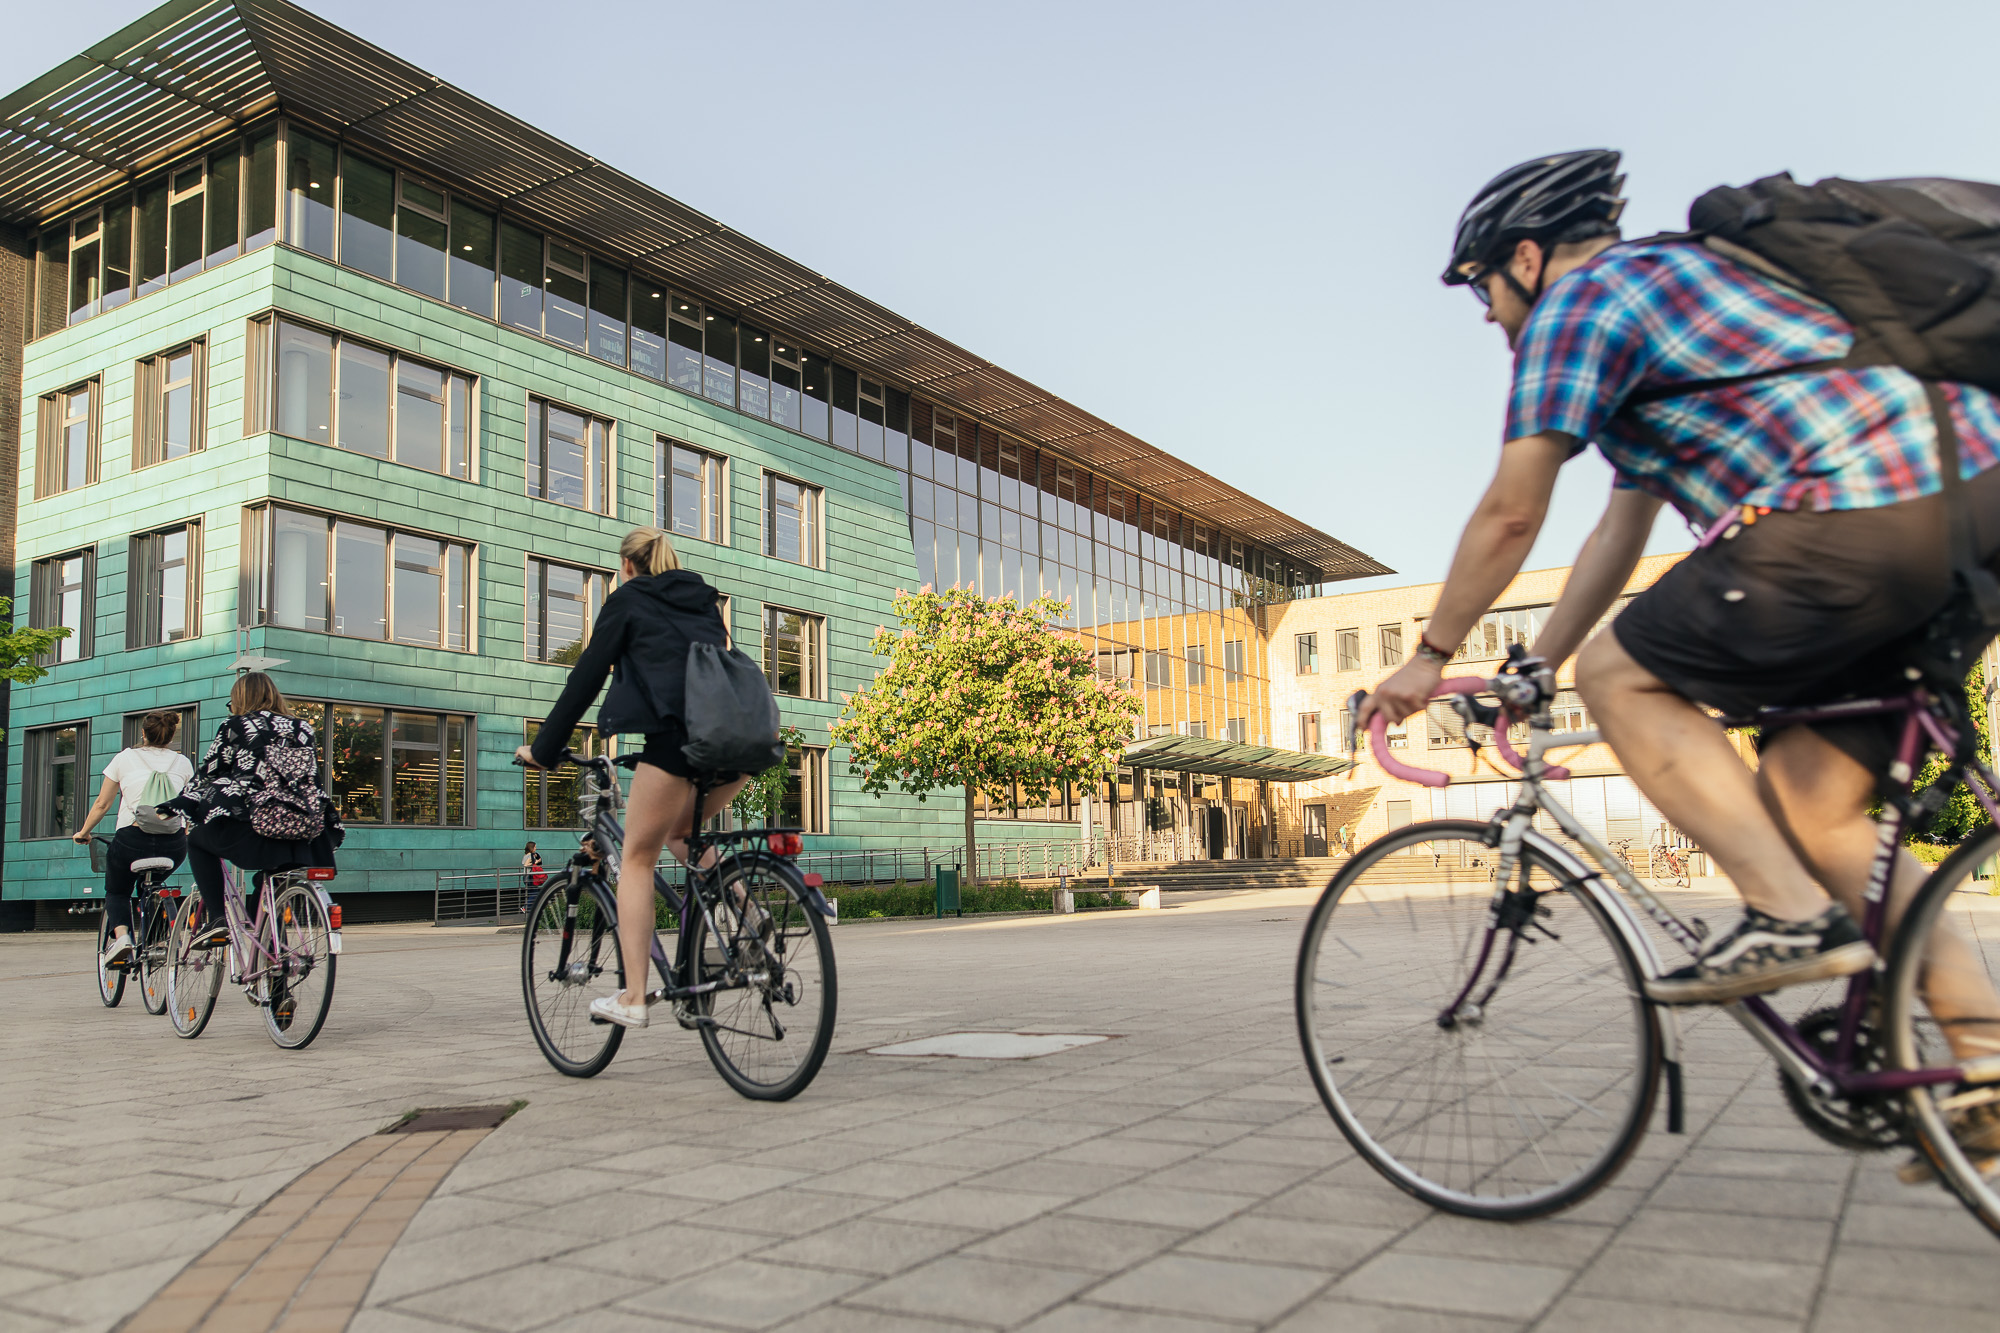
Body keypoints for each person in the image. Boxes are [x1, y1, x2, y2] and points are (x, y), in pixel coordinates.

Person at [1360, 150, 2000, 1163]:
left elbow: (1513, 511)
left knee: (1620, 673)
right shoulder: (1684, 291)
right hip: (1967, 510)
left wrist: (1428, 655)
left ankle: (1789, 919)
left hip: (1861, 500)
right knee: (1816, 809)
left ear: (1525, 258)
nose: (1487, 315)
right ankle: (1985, 1059)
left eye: (1482, 288)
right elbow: (1616, 534)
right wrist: (1538, 664)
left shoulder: (1581, 304)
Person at [516, 528, 748, 1028]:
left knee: (638, 860)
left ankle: (635, 997)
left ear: (626, 565)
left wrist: (543, 749)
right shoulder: (702, 602)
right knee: (681, 833)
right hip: (739, 745)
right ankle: (751, 920)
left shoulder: (628, 600)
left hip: (676, 743)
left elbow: (586, 677)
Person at [165, 672, 341, 946]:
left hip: (257, 826)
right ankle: (276, 966)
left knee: (197, 841)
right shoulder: (302, 728)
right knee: (270, 886)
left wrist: (177, 804)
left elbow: (210, 772)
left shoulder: (236, 725)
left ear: (240, 699)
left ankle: (217, 919)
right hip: (303, 832)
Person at [72, 710, 194, 968]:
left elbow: (102, 804)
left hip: (132, 840)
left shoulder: (124, 758)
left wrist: (84, 832)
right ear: (171, 736)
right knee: (155, 883)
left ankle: (122, 938)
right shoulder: (183, 763)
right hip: (173, 844)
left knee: (117, 890)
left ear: (143, 733)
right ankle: (158, 940)